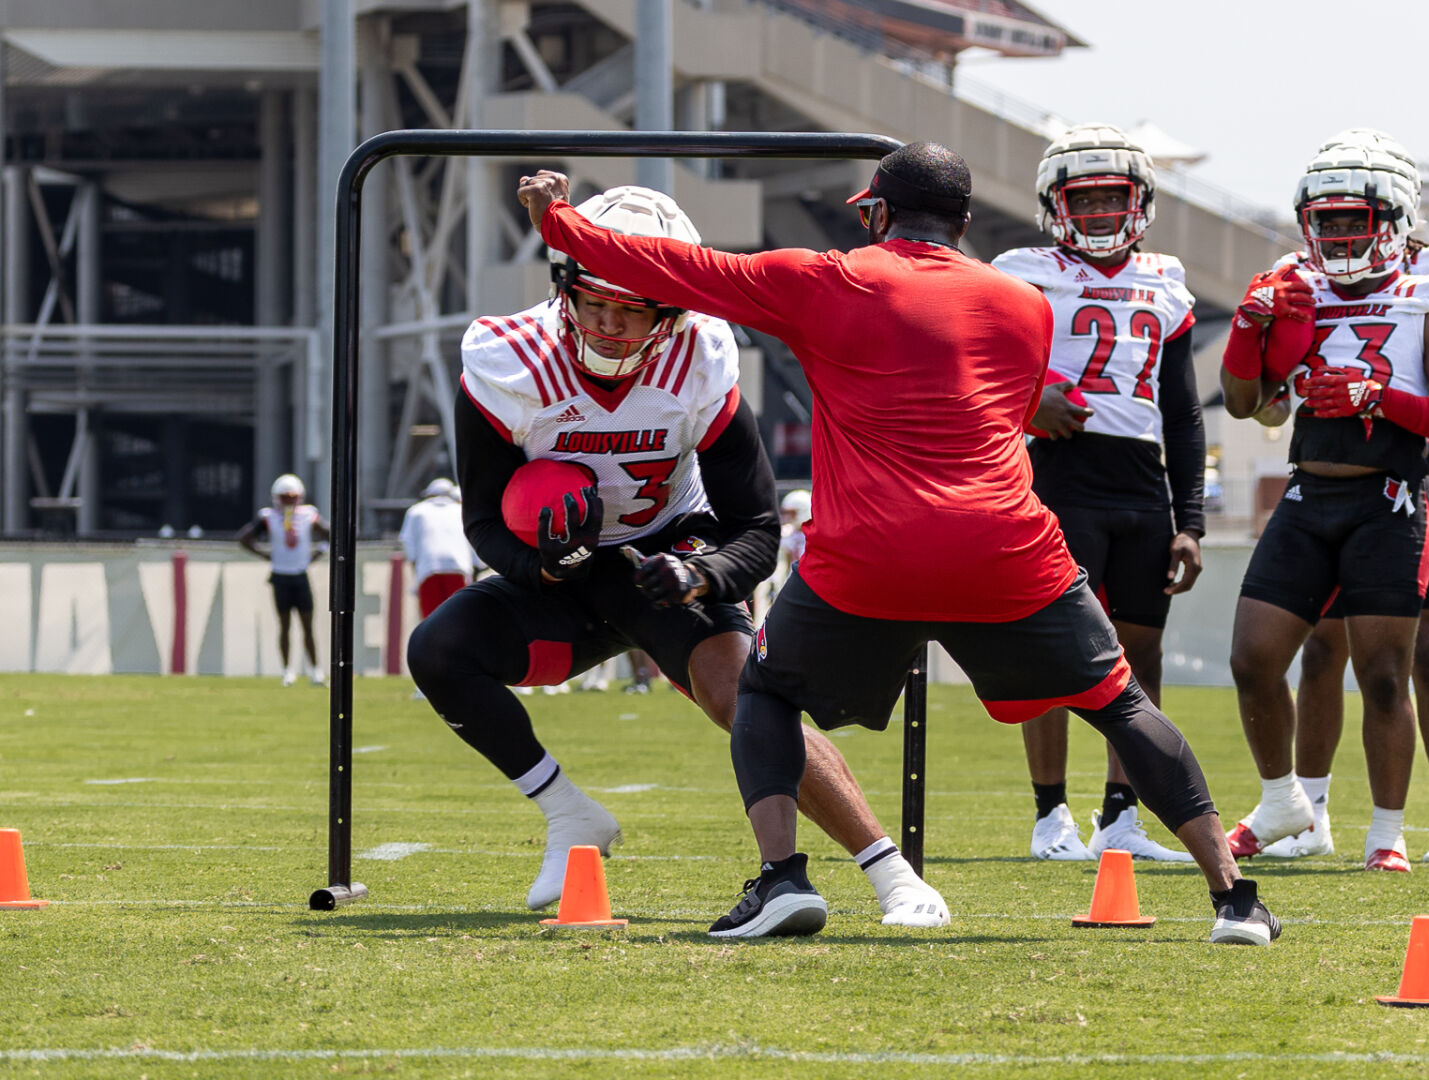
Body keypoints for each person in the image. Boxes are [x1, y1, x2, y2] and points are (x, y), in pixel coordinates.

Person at [524, 142, 1278, 945]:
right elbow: (1019, 411)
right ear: (963, 220)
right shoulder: (1025, 303)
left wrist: (558, 222)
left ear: (878, 213)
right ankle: (1234, 901)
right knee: (1120, 704)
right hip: (1005, 548)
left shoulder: (828, 279)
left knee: (767, 695)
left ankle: (782, 880)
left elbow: (676, 267)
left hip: (868, 555)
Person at [407, 184, 946, 925]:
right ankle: (570, 816)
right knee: (439, 650)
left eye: (633, 309)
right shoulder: (511, 358)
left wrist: (703, 573)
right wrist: (544, 567)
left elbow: (758, 528)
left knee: (741, 695)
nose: (610, 324)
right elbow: (483, 523)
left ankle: (894, 877)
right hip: (571, 568)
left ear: (673, 309)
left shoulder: (701, 358)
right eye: (596, 303)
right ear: (565, 284)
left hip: (671, 552)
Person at [1218, 132, 1429, 874]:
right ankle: (1289, 803)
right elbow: (1251, 405)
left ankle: (1391, 830)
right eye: (1325, 221)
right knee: (1256, 658)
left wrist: (1384, 399)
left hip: (1392, 498)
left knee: (1389, 670)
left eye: (1352, 220)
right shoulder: (1295, 291)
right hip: (1308, 493)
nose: (1337, 236)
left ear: (1394, 219)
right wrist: (1250, 327)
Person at [991, 124, 1205, 864]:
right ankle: (1051, 815)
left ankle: (1122, 816)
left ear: (1139, 201)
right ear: (1058, 205)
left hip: (1143, 485)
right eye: (1086, 200)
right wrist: (1030, 402)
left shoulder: (1167, 279)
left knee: (1140, 653)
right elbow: (975, 363)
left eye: (1115, 198)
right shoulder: (1022, 271)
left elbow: (1181, 411)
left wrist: (1192, 521)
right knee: (1053, 649)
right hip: (1061, 472)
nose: (1103, 213)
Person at [236, 473, 331, 686]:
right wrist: (265, 554)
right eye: (285, 497)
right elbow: (244, 537)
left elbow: (330, 534)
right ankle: (287, 670)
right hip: (280, 575)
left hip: (300, 574)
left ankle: (315, 670)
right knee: (285, 624)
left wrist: (318, 552)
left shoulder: (308, 515)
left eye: (292, 496)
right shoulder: (268, 517)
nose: (289, 501)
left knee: (307, 625)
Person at [400, 477, 474, 698]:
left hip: (428, 571)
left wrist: (416, 576)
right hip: (459, 570)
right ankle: (461, 679)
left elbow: (409, 548)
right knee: (458, 629)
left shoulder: (416, 511)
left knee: (429, 630)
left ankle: (427, 684)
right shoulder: (461, 510)